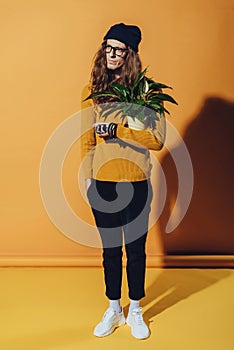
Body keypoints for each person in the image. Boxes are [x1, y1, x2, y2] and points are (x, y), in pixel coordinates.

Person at [80, 23, 166, 339]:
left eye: (119, 49)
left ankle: (137, 309)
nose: (112, 54)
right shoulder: (92, 88)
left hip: (136, 181)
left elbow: (156, 140)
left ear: (130, 53)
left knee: (136, 249)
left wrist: (119, 132)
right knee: (110, 250)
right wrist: (88, 177)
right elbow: (85, 137)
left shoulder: (145, 92)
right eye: (108, 47)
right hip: (102, 182)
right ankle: (114, 309)